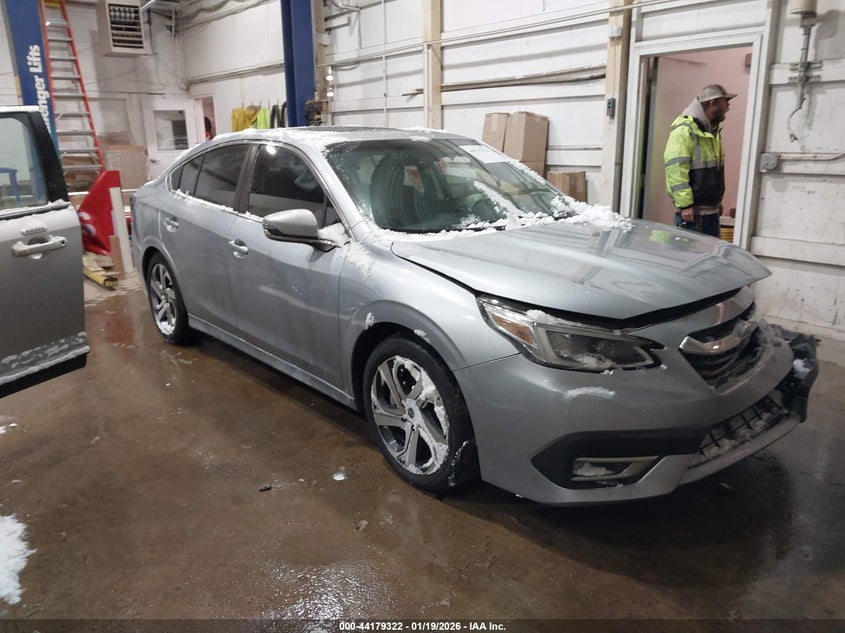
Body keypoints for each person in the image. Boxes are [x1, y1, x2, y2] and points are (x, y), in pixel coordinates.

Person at [664, 84, 736, 237]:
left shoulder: (711, 131)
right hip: (692, 215)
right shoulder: (684, 130)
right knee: (688, 252)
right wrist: (685, 205)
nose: (728, 107)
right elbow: (676, 169)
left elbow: (713, 171)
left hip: (710, 212)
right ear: (712, 103)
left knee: (710, 252)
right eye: (726, 102)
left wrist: (716, 201)